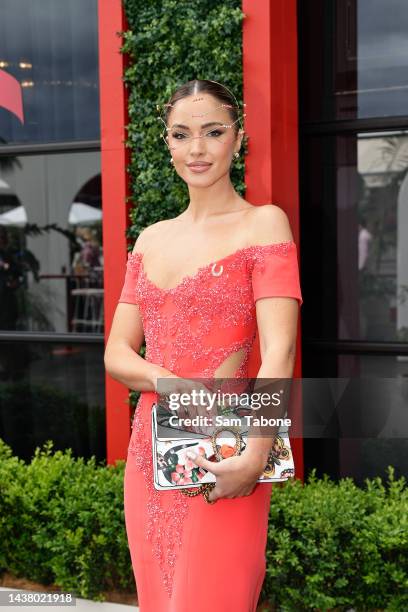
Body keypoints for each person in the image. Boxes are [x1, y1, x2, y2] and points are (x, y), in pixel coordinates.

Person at [104, 79, 303, 612]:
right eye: (181, 134)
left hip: (230, 450)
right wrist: (168, 382)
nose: (197, 149)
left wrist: (255, 456)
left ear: (237, 139)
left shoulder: (264, 224)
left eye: (213, 132)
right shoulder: (150, 239)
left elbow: (280, 352)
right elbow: (117, 352)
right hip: (152, 454)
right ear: (166, 143)